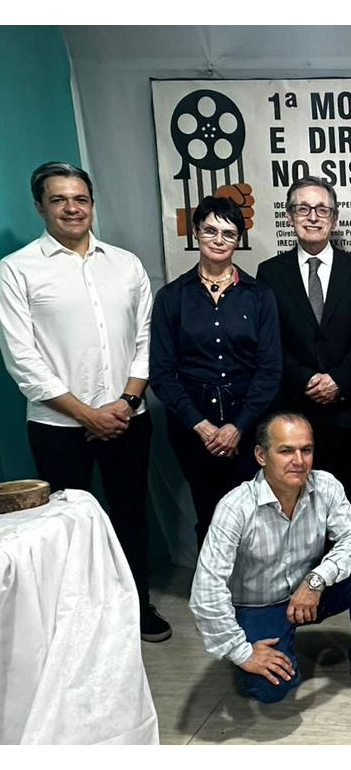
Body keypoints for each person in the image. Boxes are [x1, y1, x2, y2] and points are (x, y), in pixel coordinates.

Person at [0, 161, 170, 642]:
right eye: (58, 199)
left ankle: (137, 604)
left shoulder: (126, 264)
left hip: (127, 419)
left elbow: (146, 339)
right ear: (40, 206)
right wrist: (88, 414)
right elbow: (22, 358)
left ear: (92, 203)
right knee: (65, 526)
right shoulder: (16, 270)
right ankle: (79, 621)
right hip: (58, 426)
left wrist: (126, 402)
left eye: (79, 199)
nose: (71, 208)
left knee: (130, 515)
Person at [189, 411, 351, 710]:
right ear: (261, 455)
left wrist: (316, 580)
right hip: (259, 605)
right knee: (271, 689)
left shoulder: (326, 485)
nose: (299, 460)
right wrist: (242, 652)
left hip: (308, 594)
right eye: (286, 451)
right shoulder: (235, 507)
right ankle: (257, 640)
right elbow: (206, 590)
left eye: (306, 449)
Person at [151, 195, 282, 547]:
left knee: (254, 515)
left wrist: (237, 428)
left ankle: (255, 581)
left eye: (229, 233)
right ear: (195, 233)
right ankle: (212, 580)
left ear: (238, 239)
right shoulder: (171, 297)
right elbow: (161, 373)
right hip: (192, 424)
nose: (219, 240)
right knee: (208, 513)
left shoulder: (259, 295)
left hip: (249, 422)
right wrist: (203, 427)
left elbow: (270, 368)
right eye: (210, 230)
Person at [257, 176, 351, 535]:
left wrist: (338, 380)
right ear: (289, 216)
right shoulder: (270, 273)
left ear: (334, 218)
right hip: (296, 411)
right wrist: (306, 378)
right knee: (299, 507)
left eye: (322, 209)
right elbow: (270, 341)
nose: (313, 217)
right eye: (303, 208)